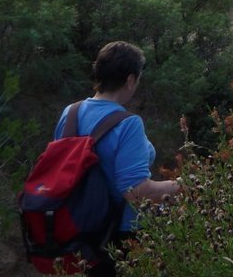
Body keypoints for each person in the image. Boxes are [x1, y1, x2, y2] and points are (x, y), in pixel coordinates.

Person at [53, 41, 180, 275]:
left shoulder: (70, 112)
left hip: (75, 229)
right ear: (130, 80)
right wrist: (180, 186)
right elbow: (135, 190)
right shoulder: (128, 124)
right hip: (118, 237)